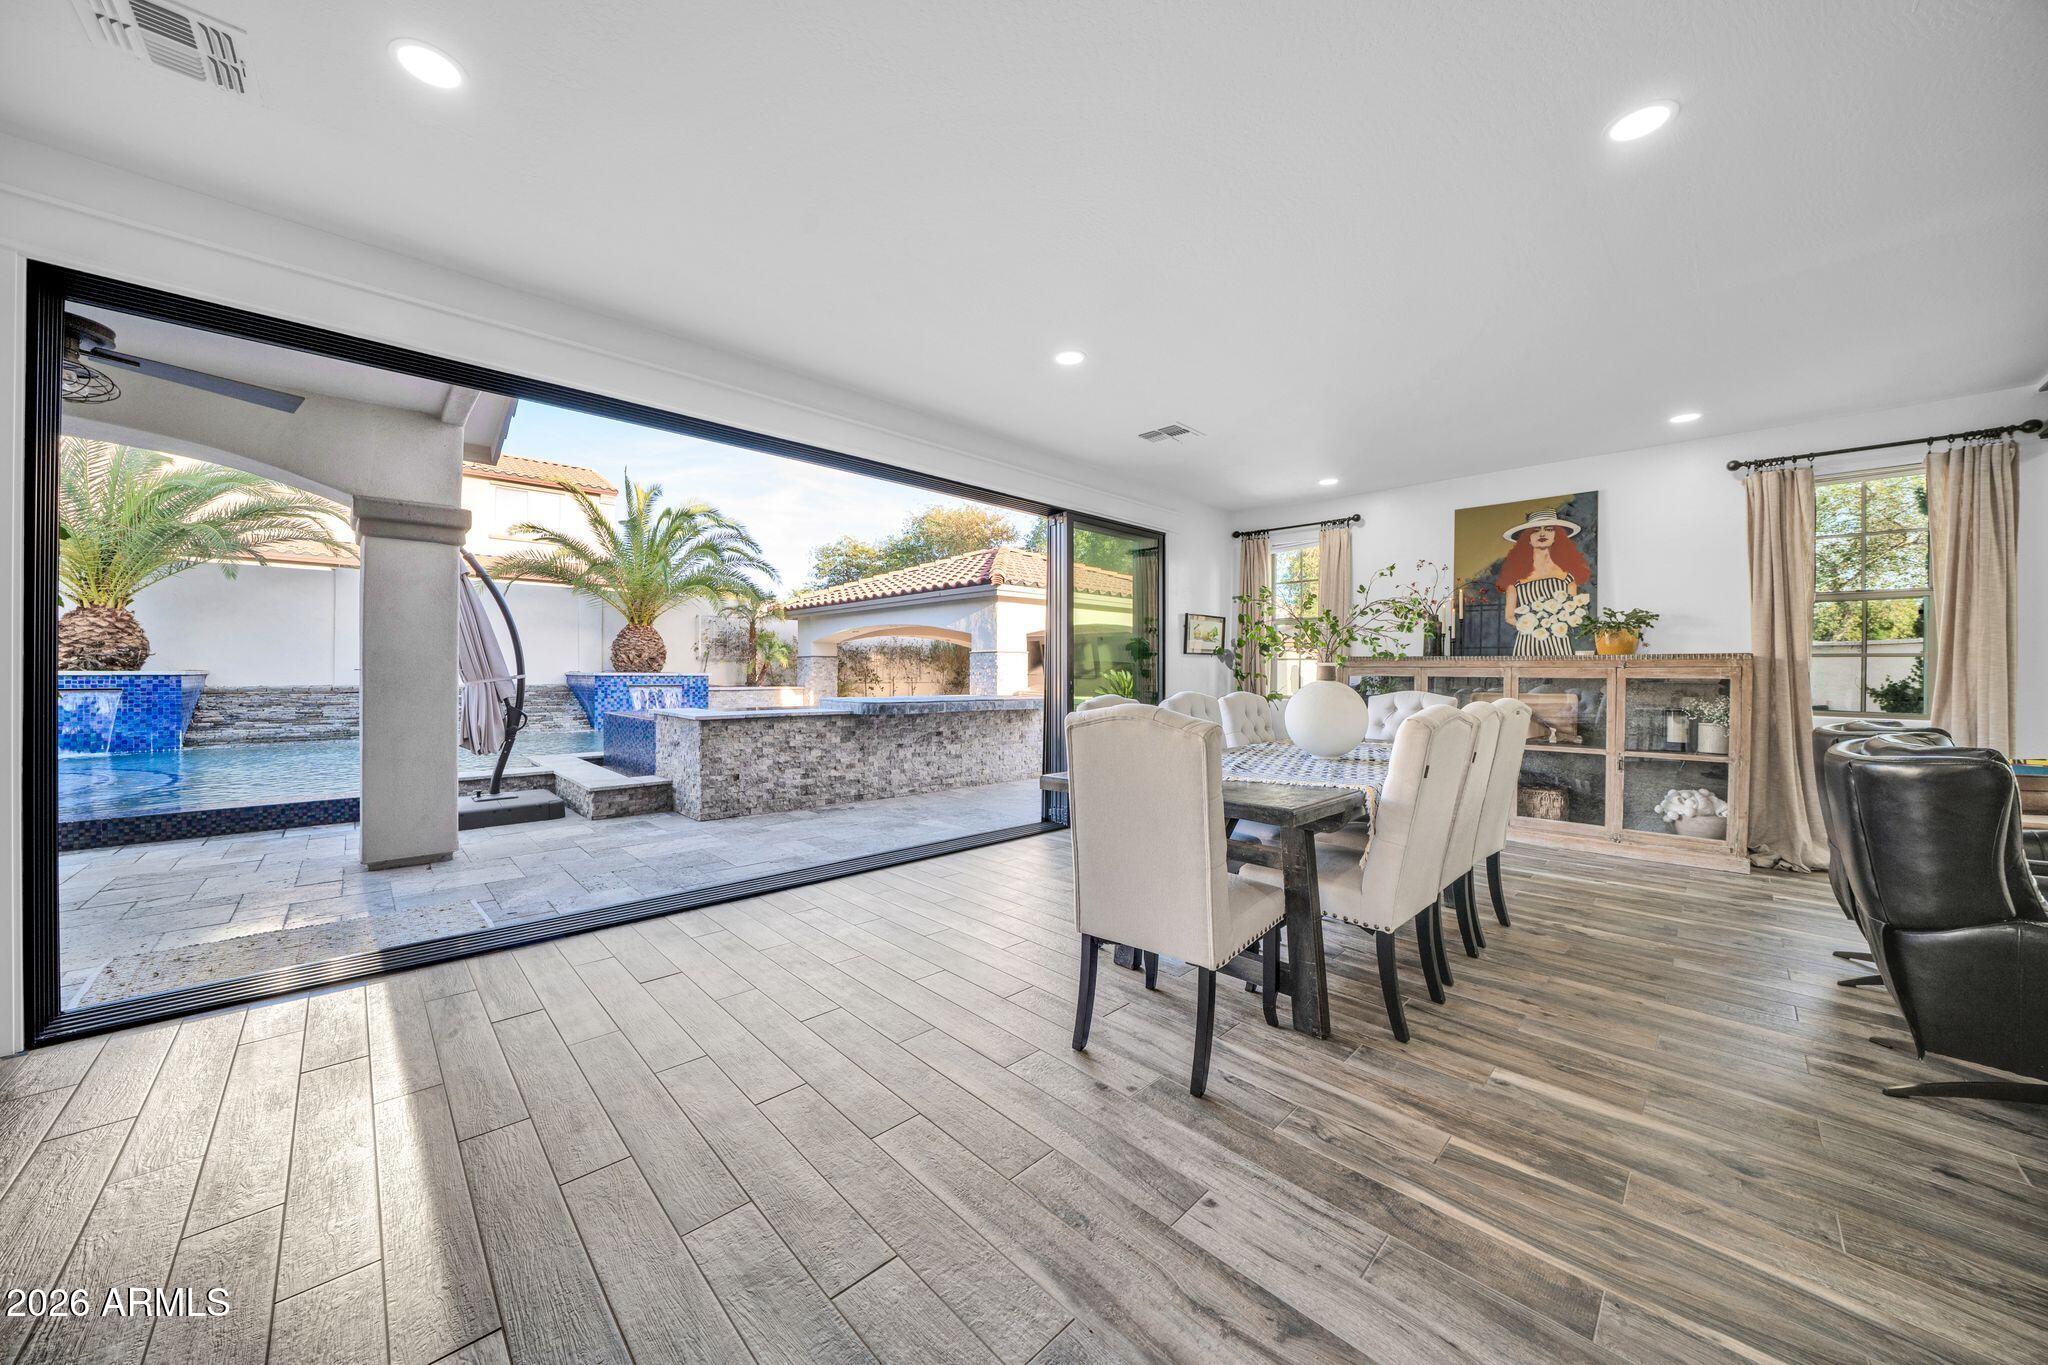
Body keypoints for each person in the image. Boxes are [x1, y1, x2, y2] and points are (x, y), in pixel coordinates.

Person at [1496, 510, 1592, 657]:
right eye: (1535, 530)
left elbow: (1571, 612)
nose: (1542, 534)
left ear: (1556, 536)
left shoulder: (1567, 576)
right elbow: (1509, 616)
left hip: (1559, 645)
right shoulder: (1515, 578)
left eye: (1549, 529)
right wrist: (1533, 625)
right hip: (1527, 646)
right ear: (1527, 538)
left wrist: (1553, 624)